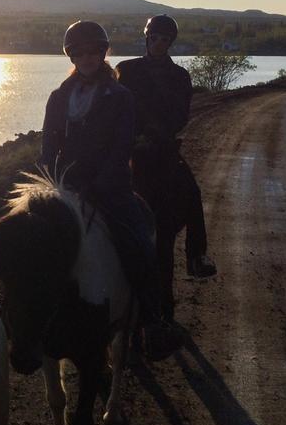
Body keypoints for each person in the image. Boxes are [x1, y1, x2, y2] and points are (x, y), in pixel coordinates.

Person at [40, 20, 181, 360]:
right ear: (71, 57)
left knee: (138, 244)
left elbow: (121, 148)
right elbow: (48, 145)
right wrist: (51, 177)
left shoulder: (120, 97)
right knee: (26, 238)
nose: (87, 59)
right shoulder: (60, 97)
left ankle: (152, 322)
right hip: (67, 186)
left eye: (93, 52)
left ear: (102, 54)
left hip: (109, 188)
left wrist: (98, 184)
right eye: (80, 53)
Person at [116, 15, 216, 320]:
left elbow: (181, 115)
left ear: (170, 43)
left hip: (162, 149)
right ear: (147, 39)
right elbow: (119, 108)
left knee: (193, 193)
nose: (159, 43)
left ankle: (196, 256)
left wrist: (159, 133)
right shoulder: (126, 70)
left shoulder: (179, 76)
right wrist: (137, 134)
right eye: (155, 38)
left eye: (164, 40)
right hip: (133, 148)